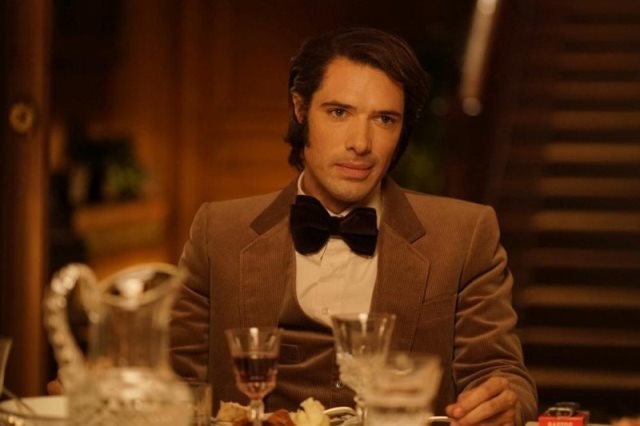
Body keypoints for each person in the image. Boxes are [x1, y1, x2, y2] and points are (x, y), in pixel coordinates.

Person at [170, 27, 538, 426]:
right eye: (339, 112)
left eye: (384, 119)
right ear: (300, 109)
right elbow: (175, 384)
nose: (361, 143)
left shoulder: (465, 235)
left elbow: (503, 377)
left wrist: (505, 403)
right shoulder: (219, 232)